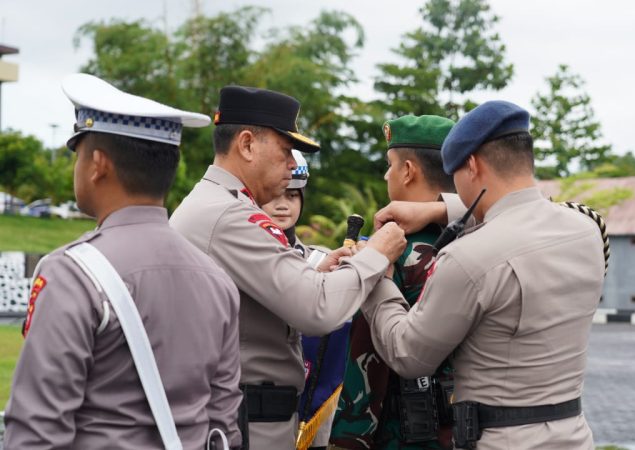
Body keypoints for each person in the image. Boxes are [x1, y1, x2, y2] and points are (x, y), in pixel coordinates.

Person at [3, 73, 242, 449]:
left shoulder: (71, 274)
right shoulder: (217, 280)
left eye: (78, 155)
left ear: (97, 164)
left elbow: (36, 432)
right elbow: (222, 426)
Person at [169, 86, 406, 450]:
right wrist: (375, 253)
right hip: (250, 421)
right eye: (285, 151)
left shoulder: (218, 205)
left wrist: (319, 274)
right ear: (247, 145)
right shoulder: (228, 215)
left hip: (247, 416)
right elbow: (316, 310)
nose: (293, 165)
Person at [361, 101, 607, 449]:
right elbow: (528, 210)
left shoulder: (467, 257)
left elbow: (408, 354)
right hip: (574, 436)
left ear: (472, 166)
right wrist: (439, 208)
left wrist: (379, 278)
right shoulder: (587, 231)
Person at [331, 115, 456, 450]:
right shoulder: (480, 239)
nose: (387, 174)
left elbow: (365, 367)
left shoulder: (391, 252)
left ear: (408, 171)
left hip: (402, 436)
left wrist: (346, 441)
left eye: (390, 164)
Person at [260, 150, 348, 450]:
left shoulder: (324, 258)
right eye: (274, 195)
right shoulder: (239, 256)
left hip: (314, 422)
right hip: (254, 413)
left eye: (294, 195)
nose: (283, 205)